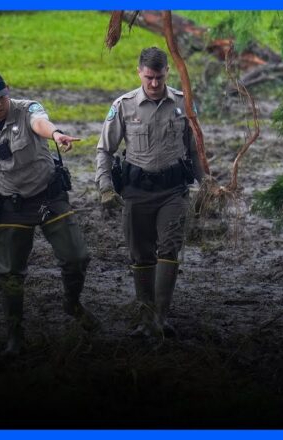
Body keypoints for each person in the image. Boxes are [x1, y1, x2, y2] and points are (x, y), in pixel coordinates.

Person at [0, 71, 99, 357]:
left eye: (1, 97)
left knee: (77, 257)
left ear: (8, 92)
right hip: (11, 205)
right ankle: (15, 335)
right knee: (9, 274)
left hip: (48, 196)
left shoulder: (27, 109)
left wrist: (57, 134)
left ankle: (72, 303)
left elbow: (40, 123)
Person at [95, 47, 203, 338]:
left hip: (173, 191)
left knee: (169, 248)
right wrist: (105, 187)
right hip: (136, 191)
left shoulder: (184, 104)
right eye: (148, 78)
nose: (154, 84)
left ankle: (160, 319)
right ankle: (146, 317)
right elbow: (105, 149)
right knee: (141, 254)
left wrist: (206, 185)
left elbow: (196, 151)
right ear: (139, 73)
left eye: (159, 77)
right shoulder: (123, 106)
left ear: (168, 71)